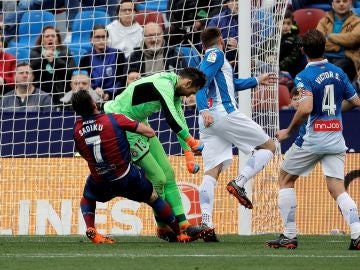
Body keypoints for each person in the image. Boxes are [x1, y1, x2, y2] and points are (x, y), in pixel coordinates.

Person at [265, 29, 360, 250]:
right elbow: (356, 101)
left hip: (313, 138)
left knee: (285, 179)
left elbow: (306, 107)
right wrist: (334, 109)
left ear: (303, 51)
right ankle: (357, 234)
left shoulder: (303, 76)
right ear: (324, 47)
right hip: (336, 137)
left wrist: (288, 131)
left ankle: (289, 235)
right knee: (337, 187)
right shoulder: (338, 72)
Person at [72, 90, 207, 243]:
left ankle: (91, 228)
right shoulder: (114, 119)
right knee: (154, 198)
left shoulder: (76, 129)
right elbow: (149, 132)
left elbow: (83, 153)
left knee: (87, 197)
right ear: (94, 104)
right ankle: (179, 232)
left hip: (100, 179)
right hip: (125, 176)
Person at [104, 67, 213, 242]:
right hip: (120, 124)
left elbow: (180, 119)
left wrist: (189, 155)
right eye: (192, 91)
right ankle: (164, 227)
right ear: (188, 83)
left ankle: (184, 225)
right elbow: (170, 118)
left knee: (169, 175)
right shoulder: (163, 85)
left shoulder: (175, 87)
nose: (189, 96)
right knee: (158, 179)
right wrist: (192, 142)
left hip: (139, 124)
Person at [196, 27, 276, 241]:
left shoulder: (211, 60)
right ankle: (239, 182)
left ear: (202, 45)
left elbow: (230, 85)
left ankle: (206, 222)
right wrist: (203, 108)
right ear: (220, 41)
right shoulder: (216, 54)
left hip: (210, 122)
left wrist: (257, 80)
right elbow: (200, 83)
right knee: (269, 147)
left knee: (211, 172)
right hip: (223, 114)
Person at [30, 26, 76, 106]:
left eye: (53, 36)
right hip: (40, 92)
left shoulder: (65, 52)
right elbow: (32, 70)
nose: (50, 38)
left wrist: (54, 60)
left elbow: (70, 73)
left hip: (61, 92)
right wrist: (44, 58)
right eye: (47, 36)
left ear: (58, 39)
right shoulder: (35, 52)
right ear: (42, 40)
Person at [317, 0, 360, 83]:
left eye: (344, 1)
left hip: (347, 59)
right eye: (338, 1)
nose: (341, 4)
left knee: (330, 75)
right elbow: (319, 41)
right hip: (324, 57)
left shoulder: (358, 21)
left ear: (350, 4)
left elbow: (353, 39)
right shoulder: (324, 21)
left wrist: (329, 37)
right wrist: (341, 45)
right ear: (333, 5)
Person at [79, 25, 127, 100]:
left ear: (107, 38)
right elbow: (84, 80)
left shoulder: (118, 54)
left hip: (115, 95)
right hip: (92, 95)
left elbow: (121, 79)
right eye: (97, 37)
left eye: (103, 37)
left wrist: (109, 93)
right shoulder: (85, 58)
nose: (101, 40)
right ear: (91, 39)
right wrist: (95, 90)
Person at [279, 9, 303, 80]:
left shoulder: (297, 39)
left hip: (293, 73)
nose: (285, 26)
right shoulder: (274, 38)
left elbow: (293, 58)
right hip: (277, 70)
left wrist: (278, 66)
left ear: (292, 24)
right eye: (283, 23)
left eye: (288, 23)